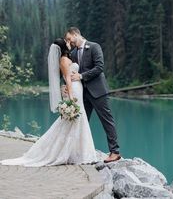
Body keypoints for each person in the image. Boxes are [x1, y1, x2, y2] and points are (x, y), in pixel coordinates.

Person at [0, 38, 97, 166]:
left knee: (77, 119)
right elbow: (67, 78)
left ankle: (78, 153)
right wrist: (71, 95)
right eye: (66, 42)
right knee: (73, 119)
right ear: (63, 47)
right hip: (73, 90)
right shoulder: (63, 60)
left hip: (77, 88)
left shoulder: (68, 57)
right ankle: (75, 153)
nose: (69, 43)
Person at [65, 27, 121, 163]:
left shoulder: (95, 47)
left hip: (98, 92)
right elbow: (70, 71)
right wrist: (67, 86)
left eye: (69, 38)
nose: (69, 41)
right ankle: (79, 152)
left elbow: (99, 67)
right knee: (80, 122)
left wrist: (81, 76)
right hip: (83, 94)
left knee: (107, 121)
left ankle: (115, 152)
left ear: (76, 34)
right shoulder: (73, 53)